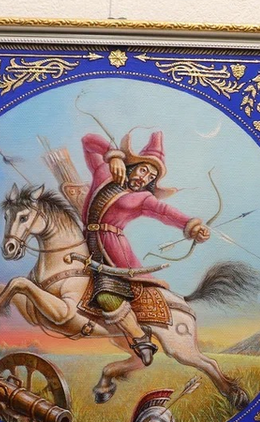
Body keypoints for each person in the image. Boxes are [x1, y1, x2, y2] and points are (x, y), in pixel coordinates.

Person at [80, 131, 211, 365]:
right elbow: (88, 141)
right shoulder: (104, 173)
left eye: (150, 176)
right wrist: (114, 155)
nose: (144, 178)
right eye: (143, 170)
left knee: (107, 294)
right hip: (83, 240)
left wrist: (192, 226)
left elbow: (165, 212)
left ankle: (141, 339)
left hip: (112, 251)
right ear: (132, 166)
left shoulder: (142, 198)